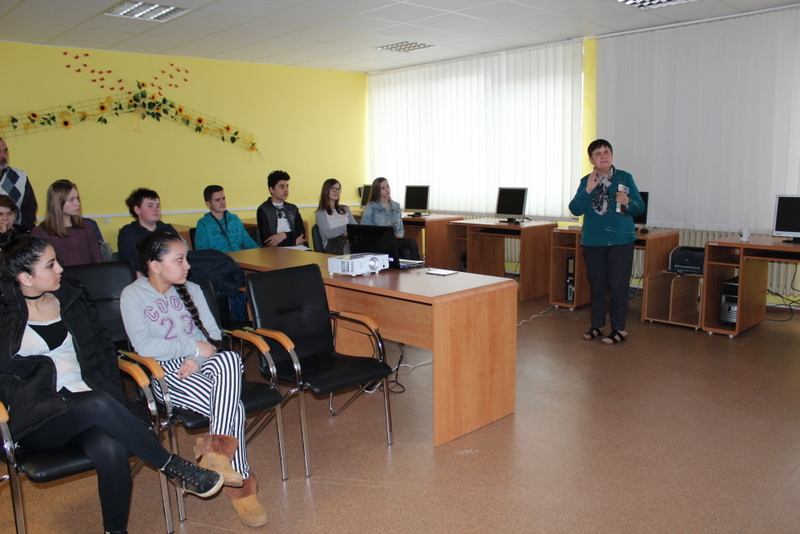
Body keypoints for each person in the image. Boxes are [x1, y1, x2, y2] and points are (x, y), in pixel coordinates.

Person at [0, 236, 223, 534]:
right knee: (96, 402)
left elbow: (104, 351)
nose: (60, 269)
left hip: (83, 403)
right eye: (51, 265)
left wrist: (112, 394)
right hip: (33, 415)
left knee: (111, 447)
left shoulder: (71, 297)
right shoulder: (5, 315)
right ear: (26, 277)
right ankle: (173, 467)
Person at [120, 232, 268, 527]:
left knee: (231, 358)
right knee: (234, 407)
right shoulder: (132, 295)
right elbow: (144, 346)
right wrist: (191, 348)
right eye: (179, 260)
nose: (188, 265)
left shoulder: (192, 289)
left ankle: (216, 456)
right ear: (155, 265)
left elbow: (211, 337)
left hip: (201, 363)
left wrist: (197, 358)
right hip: (166, 373)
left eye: (186, 259)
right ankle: (240, 487)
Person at [568, 139, 644, 345]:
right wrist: (588, 191)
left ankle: (619, 329)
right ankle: (597, 326)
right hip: (593, 241)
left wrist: (628, 201)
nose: (603, 156)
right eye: (598, 153)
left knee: (618, 287)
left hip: (621, 240)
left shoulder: (625, 178)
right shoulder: (587, 181)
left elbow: (639, 208)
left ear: (612, 155)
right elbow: (575, 209)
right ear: (591, 159)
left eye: (606, 152)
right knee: (597, 286)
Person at [31, 180, 102, 266]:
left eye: (77, 198)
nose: (78, 203)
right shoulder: (40, 232)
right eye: (71, 199)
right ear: (57, 202)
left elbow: (98, 261)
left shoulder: (87, 226)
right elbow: (38, 265)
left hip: (87, 274)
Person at [117, 188, 180, 274]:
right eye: (150, 206)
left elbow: (179, 253)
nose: (156, 209)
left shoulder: (167, 229)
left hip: (170, 272)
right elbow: (132, 260)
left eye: (157, 206)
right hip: (145, 273)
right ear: (137, 210)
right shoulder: (128, 232)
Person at [361, 177, 420, 260]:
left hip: (395, 240)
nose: (387, 190)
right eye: (383, 188)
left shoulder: (396, 206)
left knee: (406, 252)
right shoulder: (371, 206)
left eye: (387, 186)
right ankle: (419, 267)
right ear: (377, 191)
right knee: (412, 243)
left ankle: (410, 268)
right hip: (379, 241)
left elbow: (401, 227)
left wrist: (400, 235)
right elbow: (364, 228)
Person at [195, 185, 259, 252]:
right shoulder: (203, 223)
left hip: (238, 256)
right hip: (218, 257)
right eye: (217, 200)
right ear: (208, 204)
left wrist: (259, 251)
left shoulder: (234, 218)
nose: (222, 202)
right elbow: (202, 249)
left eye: (223, 198)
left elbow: (247, 240)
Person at [256, 170, 307, 248]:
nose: (286, 190)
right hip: (274, 250)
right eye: (281, 187)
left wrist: (284, 235)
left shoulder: (292, 208)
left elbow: (301, 233)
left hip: (297, 246)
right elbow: (267, 241)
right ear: (271, 189)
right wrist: (293, 242)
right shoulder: (263, 210)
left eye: (287, 186)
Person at [0, 137, 38, 231]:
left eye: (5, 151)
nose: (3, 156)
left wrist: (23, 233)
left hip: (17, 235)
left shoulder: (19, 176)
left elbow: (29, 208)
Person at [315, 178, 356, 254]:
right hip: (333, 245)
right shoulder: (321, 213)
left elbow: (355, 227)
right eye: (333, 188)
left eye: (338, 189)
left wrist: (349, 231)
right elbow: (328, 233)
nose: (336, 191)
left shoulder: (345, 209)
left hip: (348, 240)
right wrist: (346, 228)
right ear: (326, 190)